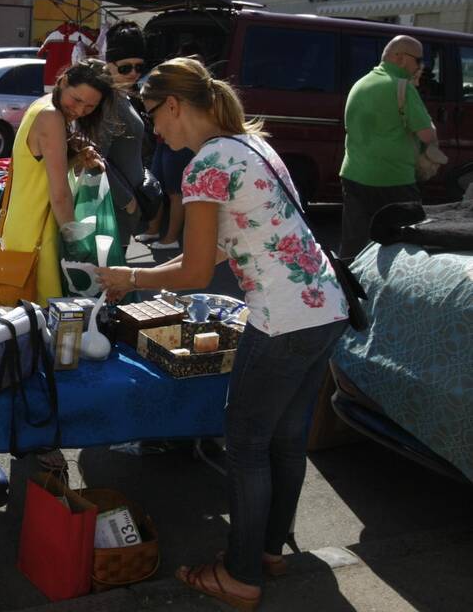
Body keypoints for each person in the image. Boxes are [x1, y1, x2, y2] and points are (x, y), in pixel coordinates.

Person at [96, 58, 348, 612]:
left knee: (247, 446)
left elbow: (192, 271)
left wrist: (129, 276)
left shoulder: (208, 164)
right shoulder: (252, 144)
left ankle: (240, 575)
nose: (154, 130)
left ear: (176, 106)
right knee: (283, 441)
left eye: (153, 116)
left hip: (283, 319)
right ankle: (267, 552)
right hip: (325, 308)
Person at [0, 60, 113, 305]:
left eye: (90, 106)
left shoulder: (41, 105)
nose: (81, 110)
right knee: (43, 318)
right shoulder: (52, 117)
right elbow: (59, 192)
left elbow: (38, 168)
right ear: (63, 81)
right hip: (39, 231)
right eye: (77, 99)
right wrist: (74, 239)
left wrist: (77, 158)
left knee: (22, 319)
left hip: (24, 223)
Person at [339, 35, 442, 260]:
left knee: (354, 244)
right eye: (418, 60)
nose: (421, 66)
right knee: (406, 246)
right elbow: (427, 134)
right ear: (401, 58)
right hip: (393, 179)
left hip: (353, 174)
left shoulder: (362, 82)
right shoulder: (401, 86)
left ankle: (345, 289)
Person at [100, 22, 149, 254]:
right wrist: (127, 201)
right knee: (111, 277)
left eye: (139, 66)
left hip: (125, 204)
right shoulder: (108, 101)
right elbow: (95, 158)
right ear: (109, 65)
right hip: (114, 207)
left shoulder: (123, 95)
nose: (133, 73)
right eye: (125, 67)